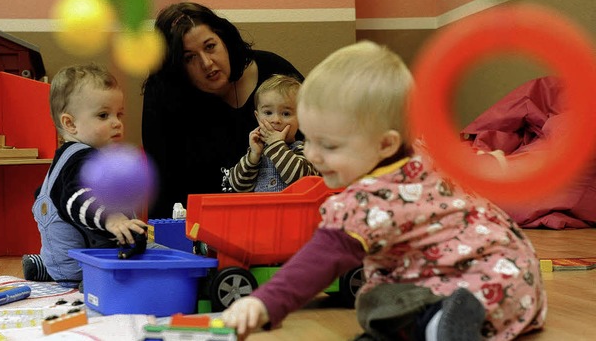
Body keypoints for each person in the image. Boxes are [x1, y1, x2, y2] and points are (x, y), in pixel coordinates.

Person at [221, 41, 547, 341]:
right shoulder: (426, 154)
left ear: (386, 143)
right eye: (312, 139)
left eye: (330, 145)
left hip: (465, 292)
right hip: (517, 282)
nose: (313, 155)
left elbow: (319, 260)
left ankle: (432, 324)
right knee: (383, 283)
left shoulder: (367, 200)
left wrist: (264, 303)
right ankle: (435, 322)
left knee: (376, 294)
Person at [141, 2, 304, 218]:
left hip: (279, 216)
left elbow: (321, 141)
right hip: (195, 222)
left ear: (224, 39)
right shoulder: (164, 94)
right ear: (175, 66)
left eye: (210, 47)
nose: (207, 63)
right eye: (189, 58)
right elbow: (162, 180)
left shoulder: (275, 74)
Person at [23, 64, 149, 288]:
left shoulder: (66, 158)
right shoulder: (84, 159)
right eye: (103, 115)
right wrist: (111, 218)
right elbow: (77, 196)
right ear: (70, 124)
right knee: (156, 257)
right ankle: (91, 280)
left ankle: (45, 266)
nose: (116, 122)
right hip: (83, 263)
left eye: (119, 114)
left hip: (64, 257)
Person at [228, 74, 318, 192]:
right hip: (261, 210)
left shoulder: (304, 150)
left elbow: (300, 179)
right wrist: (253, 156)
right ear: (258, 117)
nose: (275, 120)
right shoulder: (257, 153)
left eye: (286, 114)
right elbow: (238, 186)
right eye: (268, 113)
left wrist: (276, 144)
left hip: (292, 210)